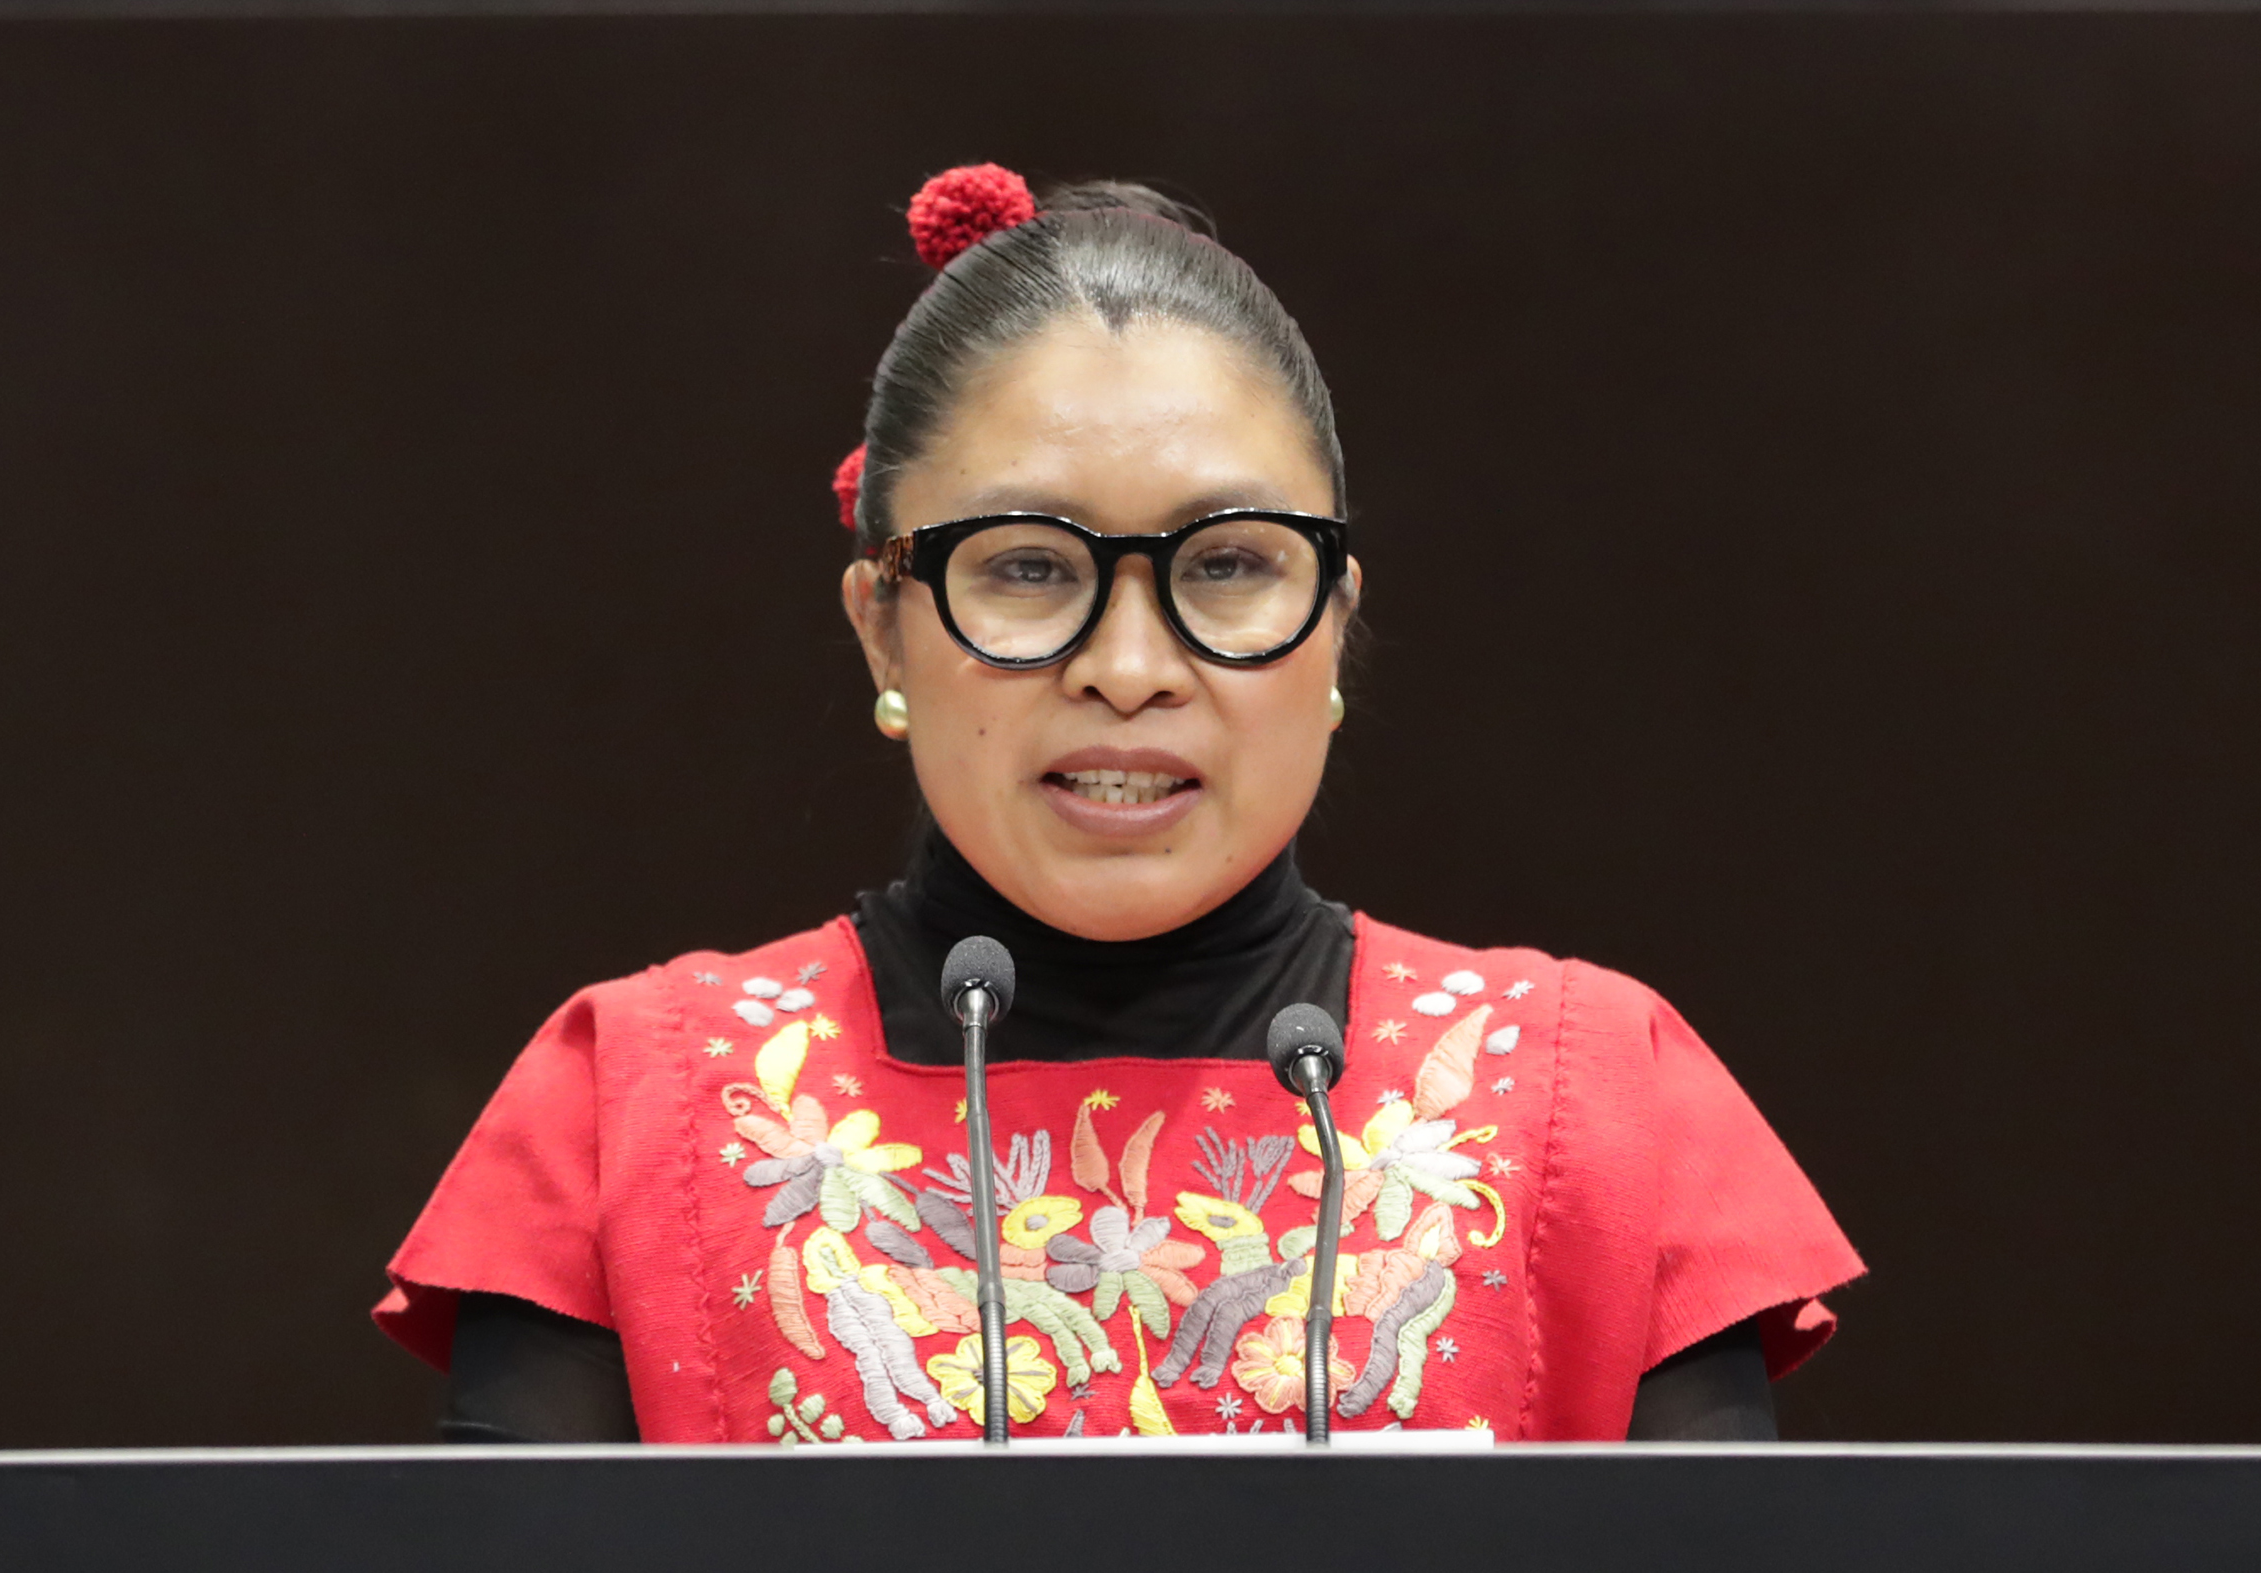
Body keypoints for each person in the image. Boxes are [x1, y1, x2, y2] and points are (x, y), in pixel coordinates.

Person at [374, 164, 1862, 1446]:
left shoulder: (1604, 1107)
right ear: (881, 629)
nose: (1131, 669)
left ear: (1335, 622)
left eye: (1228, 565)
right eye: (1028, 566)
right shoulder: (625, 1113)